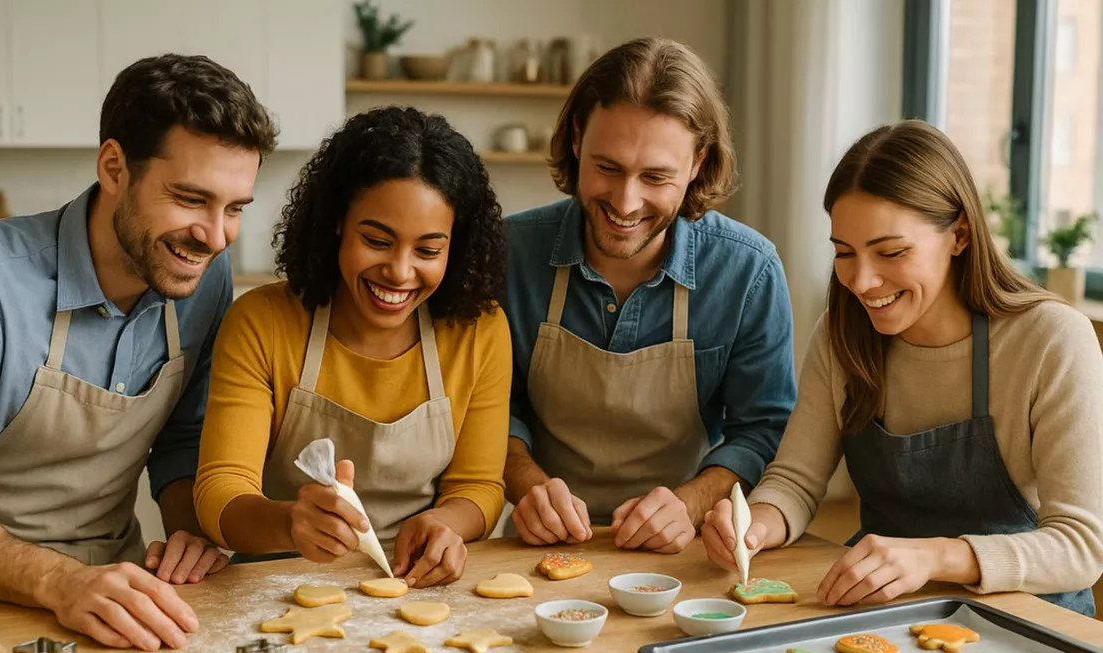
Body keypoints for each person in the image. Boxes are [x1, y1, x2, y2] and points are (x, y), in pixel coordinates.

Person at [0, 54, 279, 648]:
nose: (214, 236)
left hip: (117, 590)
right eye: (189, 198)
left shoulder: (201, 274)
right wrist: (61, 581)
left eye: (234, 209)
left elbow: (183, 439)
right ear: (113, 168)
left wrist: (189, 534)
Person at [702, 119, 1103, 616]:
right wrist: (755, 524)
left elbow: (1081, 548)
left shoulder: (1051, 339)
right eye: (844, 253)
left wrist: (935, 557)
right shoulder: (840, 333)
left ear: (959, 234)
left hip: (1031, 619)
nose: (862, 281)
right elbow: (796, 479)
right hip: (885, 614)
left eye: (891, 252)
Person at [193, 106, 511, 588]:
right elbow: (221, 491)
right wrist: (289, 524)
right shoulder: (262, 323)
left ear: (455, 247)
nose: (400, 273)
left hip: (417, 586)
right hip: (277, 585)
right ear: (337, 222)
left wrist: (449, 523)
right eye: (377, 240)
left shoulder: (479, 331)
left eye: (428, 250)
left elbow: (479, 486)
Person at [503, 37, 796, 553]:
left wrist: (690, 503)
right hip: (538, 541)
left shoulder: (748, 270)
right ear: (576, 139)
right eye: (608, 167)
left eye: (656, 177)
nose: (625, 202)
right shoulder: (508, 254)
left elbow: (763, 430)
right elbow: (488, 407)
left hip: (685, 546)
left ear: (698, 163)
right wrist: (527, 484)